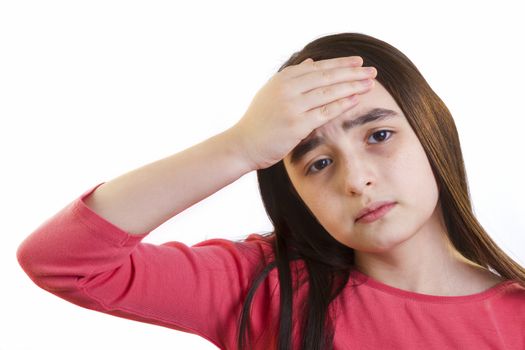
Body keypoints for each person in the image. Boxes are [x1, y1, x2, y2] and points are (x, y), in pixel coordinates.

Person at [17, 32, 525, 350]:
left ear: (432, 132)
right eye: (319, 162)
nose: (355, 180)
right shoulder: (266, 290)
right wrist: (239, 147)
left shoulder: (516, 317)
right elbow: (65, 261)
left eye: (379, 135)